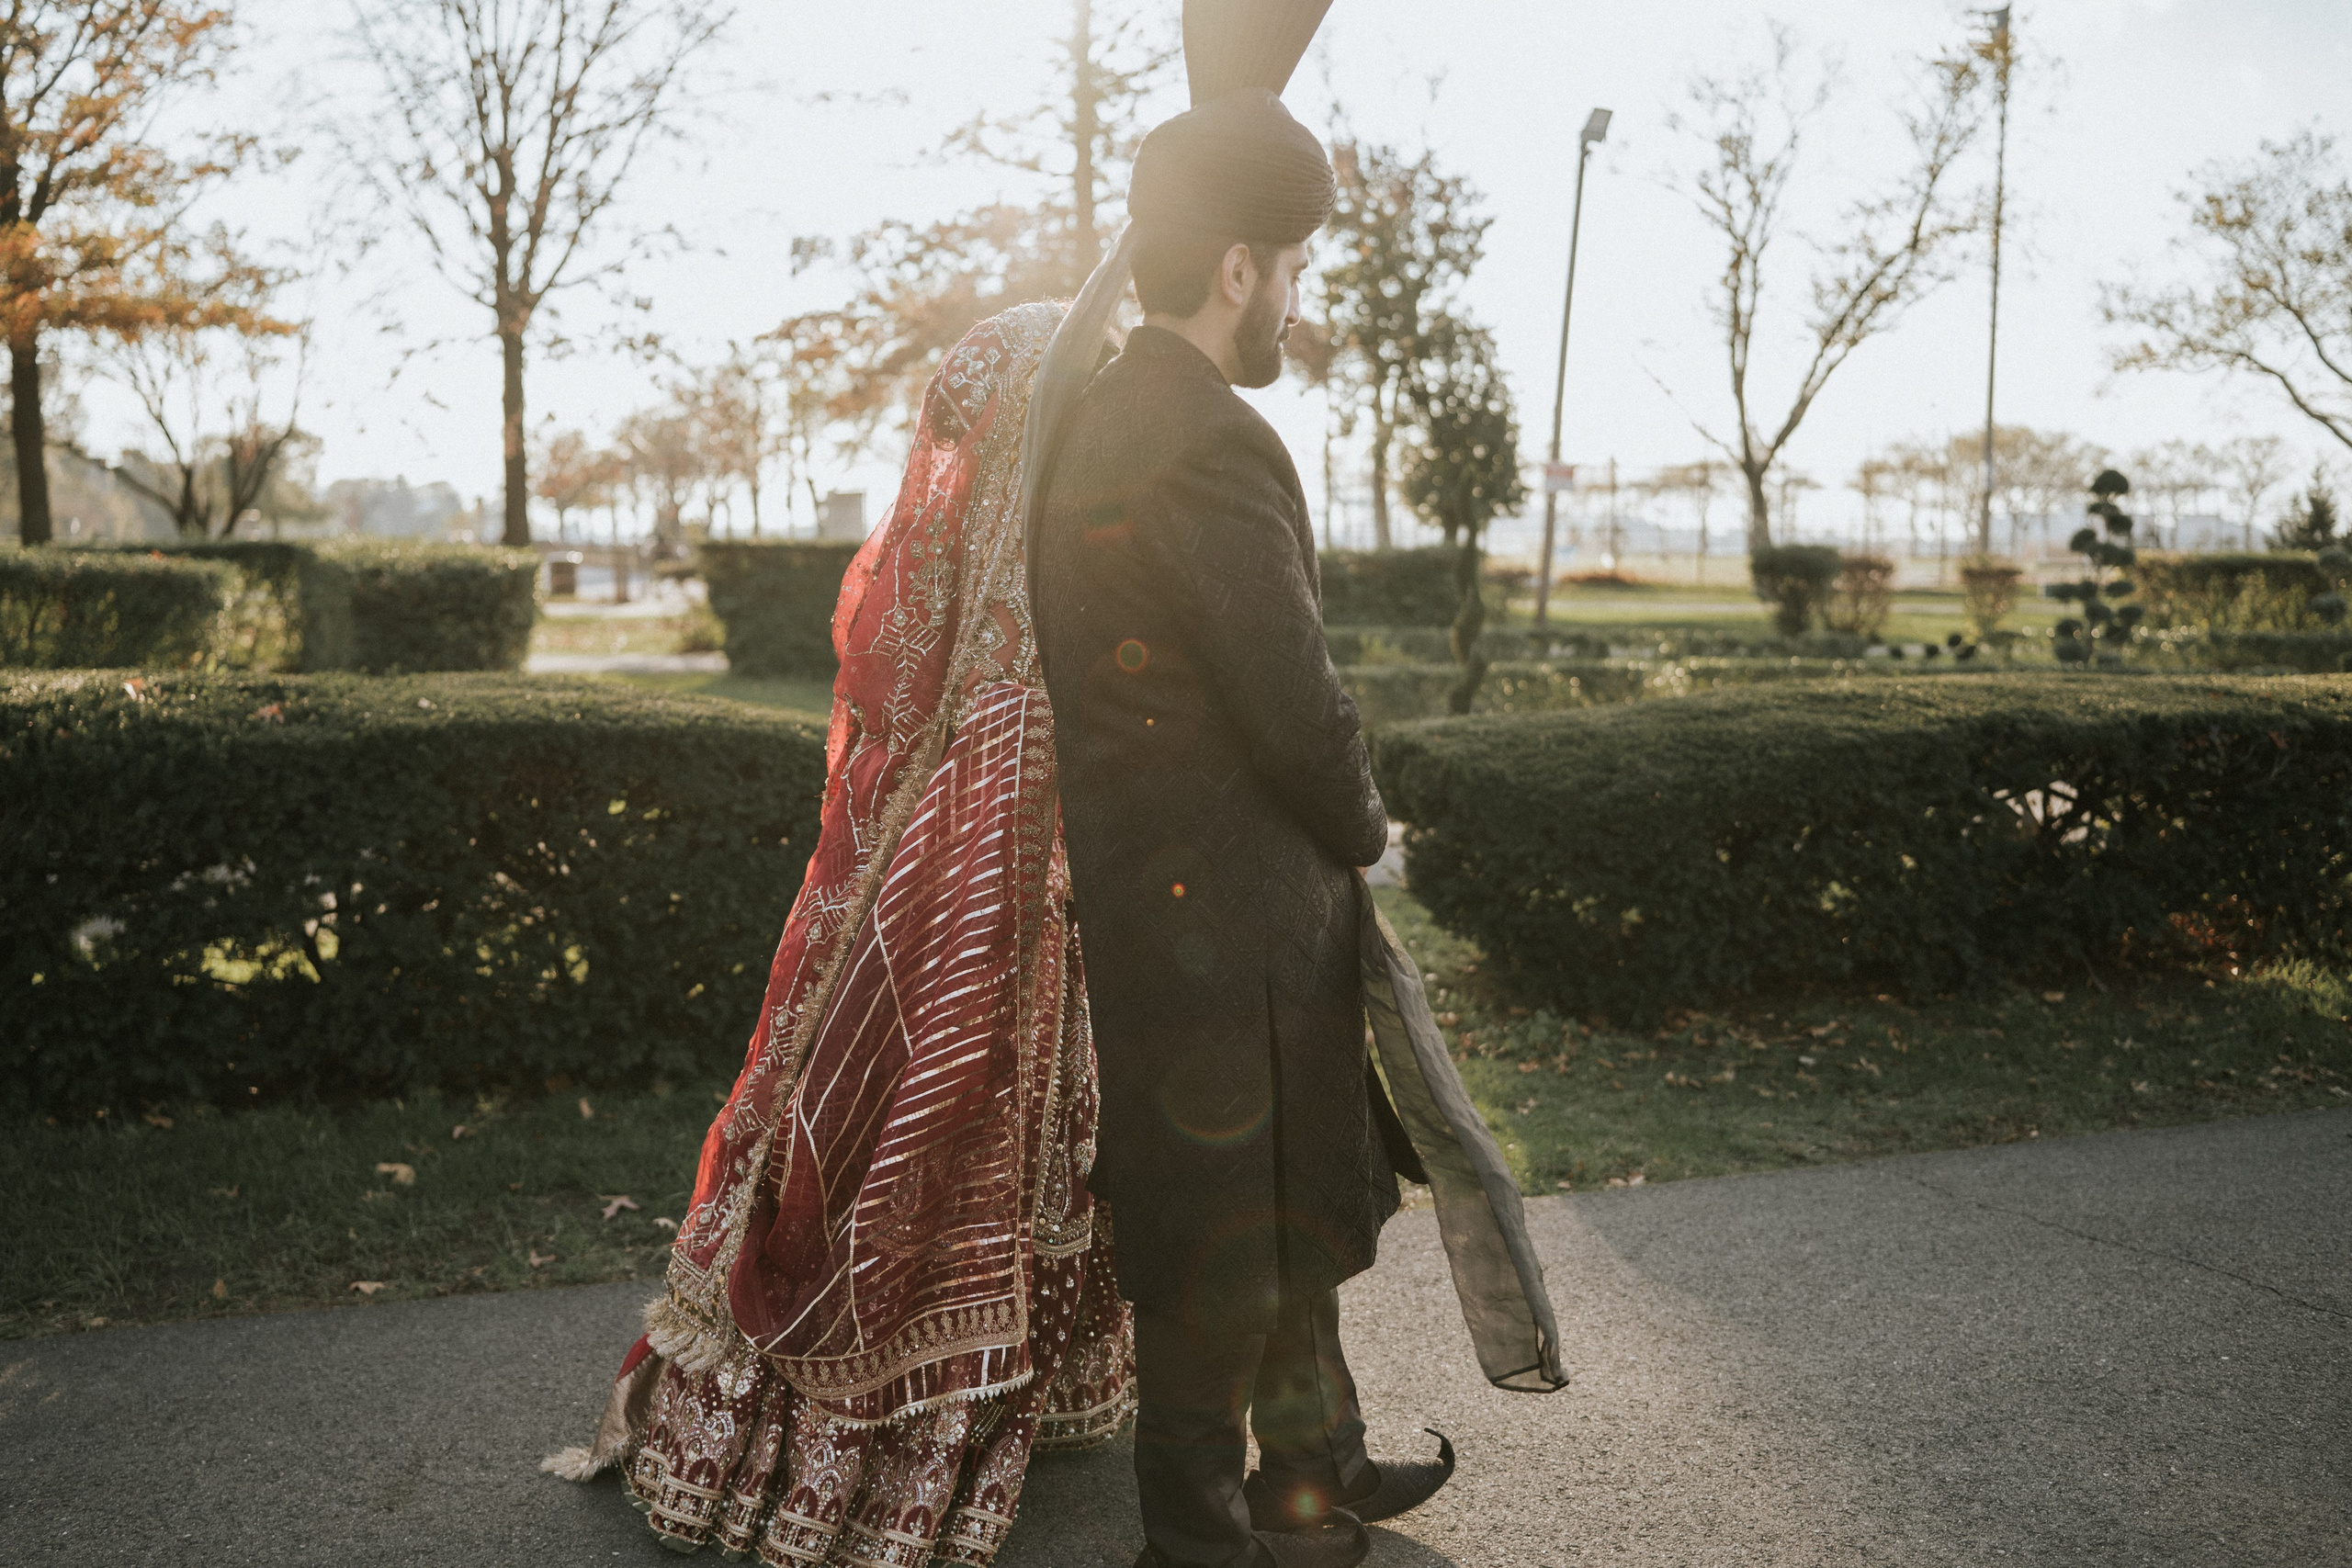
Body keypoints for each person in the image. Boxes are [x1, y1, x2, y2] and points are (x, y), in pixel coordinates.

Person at [542, 299, 1136, 1566]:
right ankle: (883, 1441)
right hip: (984, 843)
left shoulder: (1014, 608)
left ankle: (1009, 1389)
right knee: (933, 1103)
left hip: (997, 833)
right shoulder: (1014, 651)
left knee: (989, 1102)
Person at [1025, 55, 1455, 1568]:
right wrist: (1368, 826)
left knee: (1277, 1199)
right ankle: (1199, 1537)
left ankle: (1309, 1476)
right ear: (1236, 268)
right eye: (1293, 268)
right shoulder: (1206, 433)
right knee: (1222, 1224)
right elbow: (1293, 695)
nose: (1295, 297)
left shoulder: (1107, 413)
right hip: (1229, 913)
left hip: (1180, 902)